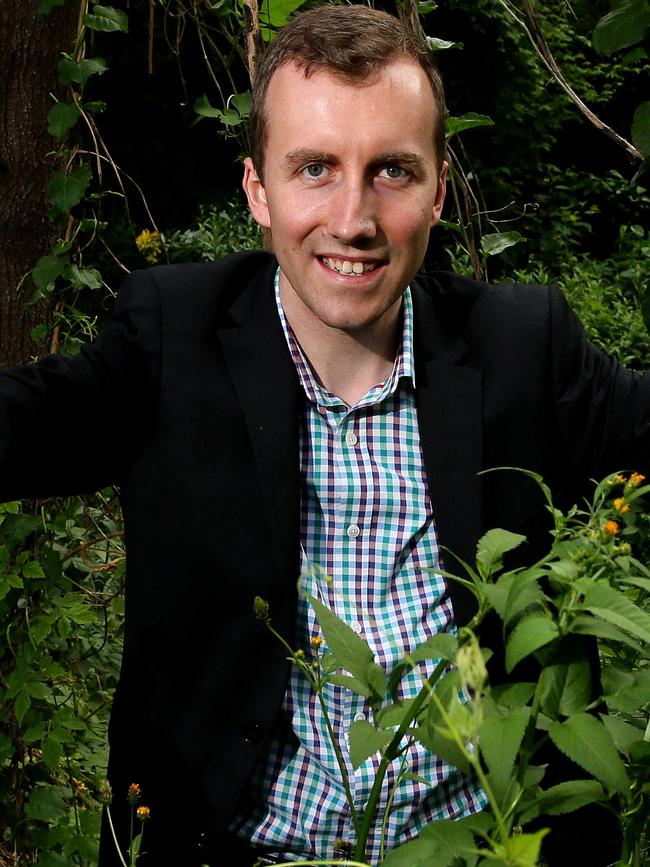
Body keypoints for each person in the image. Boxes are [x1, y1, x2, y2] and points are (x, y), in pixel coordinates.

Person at [1, 5, 649, 866]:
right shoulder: (171, 338)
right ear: (257, 190)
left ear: (439, 189)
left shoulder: (524, 344)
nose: (353, 219)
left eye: (391, 171)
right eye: (314, 168)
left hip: (490, 848)